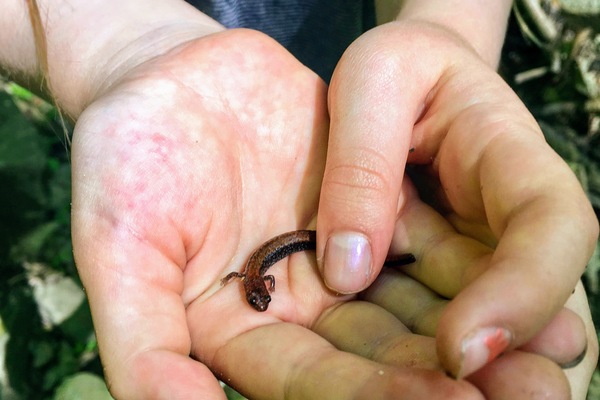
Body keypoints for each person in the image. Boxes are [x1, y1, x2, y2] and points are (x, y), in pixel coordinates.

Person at [1, 0, 597, 399]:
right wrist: (124, 47)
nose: (258, 294)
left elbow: (271, 258)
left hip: (334, 99)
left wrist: (443, 41)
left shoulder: (249, 274)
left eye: (257, 294)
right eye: (259, 293)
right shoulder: (250, 277)